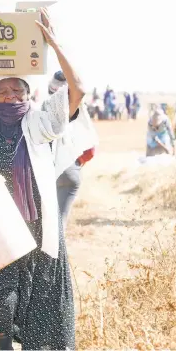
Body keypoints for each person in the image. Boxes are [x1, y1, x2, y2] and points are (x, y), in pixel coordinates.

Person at [0, 8, 86, 350]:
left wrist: (54, 44)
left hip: (40, 227)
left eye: (19, 92)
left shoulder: (42, 123)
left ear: (29, 95)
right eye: (5, 92)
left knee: (43, 302)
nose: (12, 98)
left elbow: (79, 89)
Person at [42, 70, 97, 239]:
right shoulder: (79, 114)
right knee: (59, 225)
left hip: (46, 174)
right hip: (70, 172)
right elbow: (90, 151)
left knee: (46, 225)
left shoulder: (43, 111)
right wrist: (75, 164)